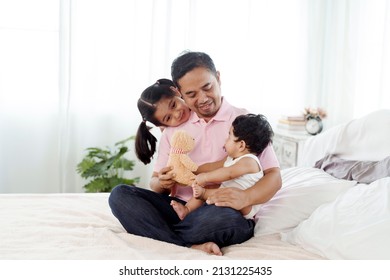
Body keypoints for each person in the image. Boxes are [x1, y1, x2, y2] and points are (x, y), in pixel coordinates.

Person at [109, 51, 282, 256]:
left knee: (221, 220)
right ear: (180, 92)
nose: (202, 99)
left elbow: (273, 174)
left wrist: (246, 197)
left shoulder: (243, 119)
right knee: (120, 195)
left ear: (218, 77)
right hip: (182, 208)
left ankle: (161, 233)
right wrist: (163, 182)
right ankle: (187, 244)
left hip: (222, 207)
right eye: (191, 94)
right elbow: (155, 184)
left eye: (207, 87)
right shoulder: (173, 130)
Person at [170, 113, 274, 220]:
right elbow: (212, 166)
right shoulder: (231, 159)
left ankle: (202, 196)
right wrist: (191, 170)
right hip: (227, 193)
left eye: (229, 136)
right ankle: (187, 210)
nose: (226, 140)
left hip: (245, 206)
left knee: (207, 191)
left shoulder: (249, 161)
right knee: (210, 188)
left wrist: (205, 178)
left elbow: (229, 173)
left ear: (241, 145)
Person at [135, 78, 191, 164]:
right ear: (162, 125)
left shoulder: (202, 108)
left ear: (175, 91)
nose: (177, 114)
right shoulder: (170, 135)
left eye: (173, 105)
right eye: (168, 118)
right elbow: (158, 173)